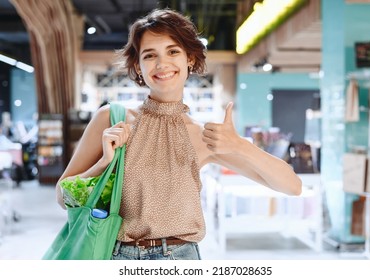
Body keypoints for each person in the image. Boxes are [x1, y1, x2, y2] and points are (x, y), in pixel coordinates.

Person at [55, 8, 302, 260]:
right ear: (138, 67)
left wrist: (239, 145)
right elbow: (63, 197)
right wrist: (103, 163)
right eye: (150, 55)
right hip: (117, 256)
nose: (162, 64)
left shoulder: (202, 135)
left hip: (180, 259)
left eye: (173, 51)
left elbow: (292, 186)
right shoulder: (111, 119)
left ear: (190, 59)